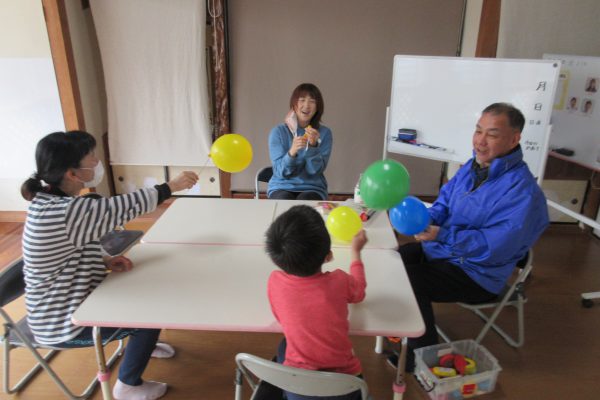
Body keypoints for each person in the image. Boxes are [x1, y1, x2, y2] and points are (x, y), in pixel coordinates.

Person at [21, 131, 198, 400]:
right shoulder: (64, 211)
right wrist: (170, 186)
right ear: (72, 173)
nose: (96, 161)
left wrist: (104, 259)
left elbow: (73, 245)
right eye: (91, 156)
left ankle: (142, 345)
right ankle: (127, 384)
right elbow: (122, 206)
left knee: (148, 289)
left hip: (78, 299)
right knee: (151, 315)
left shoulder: (51, 202)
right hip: (62, 322)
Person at [387, 103, 549, 371]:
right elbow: (444, 202)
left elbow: (493, 248)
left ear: (514, 139)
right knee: (393, 258)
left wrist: (443, 235)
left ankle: (421, 361)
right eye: (478, 131)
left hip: (478, 273)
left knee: (412, 281)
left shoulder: (524, 192)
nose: (480, 141)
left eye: (492, 134)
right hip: (445, 252)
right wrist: (430, 220)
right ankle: (403, 324)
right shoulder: (472, 167)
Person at [265, 205, 367, 400]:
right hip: (345, 387)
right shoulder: (339, 281)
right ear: (328, 256)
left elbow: (280, 317)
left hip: (297, 389)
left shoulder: (275, 281)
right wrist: (356, 253)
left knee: (284, 345)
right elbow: (359, 293)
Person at [267, 83, 333, 200]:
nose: (306, 105)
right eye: (302, 100)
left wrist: (313, 147)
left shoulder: (324, 133)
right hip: (281, 187)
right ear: (294, 104)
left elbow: (315, 172)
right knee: (283, 201)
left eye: (312, 101)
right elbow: (280, 172)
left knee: (305, 202)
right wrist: (292, 152)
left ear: (318, 107)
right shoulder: (278, 132)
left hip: (313, 188)